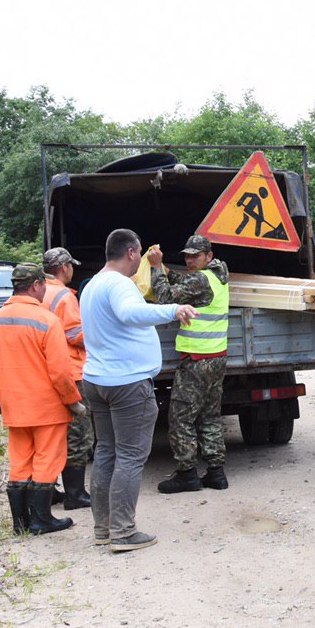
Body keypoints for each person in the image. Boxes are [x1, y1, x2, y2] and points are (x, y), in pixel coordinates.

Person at [81, 229, 197, 553]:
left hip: (98, 380)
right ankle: (123, 531)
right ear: (132, 253)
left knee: (106, 452)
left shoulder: (92, 285)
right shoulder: (119, 285)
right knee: (130, 457)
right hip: (126, 383)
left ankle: (103, 529)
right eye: (140, 256)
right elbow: (131, 314)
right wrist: (172, 310)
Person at [0, 263, 84, 536]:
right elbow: (60, 372)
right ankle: (41, 519)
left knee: (20, 460)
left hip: (14, 407)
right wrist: (73, 400)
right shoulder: (47, 320)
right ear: (37, 285)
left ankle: (20, 523)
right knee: (48, 459)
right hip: (47, 407)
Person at [147, 235, 231, 493]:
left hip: (197, 361)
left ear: (208, 255)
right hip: (216, 357)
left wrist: (154, 268)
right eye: (187, 255)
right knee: (209, 416)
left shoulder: (201, 279)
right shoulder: (217, 274)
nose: (190, 260)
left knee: (180, 418)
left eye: (195, 255)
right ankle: (216, 473)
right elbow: (185, 281)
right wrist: (167, 270)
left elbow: (164, 298)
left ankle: (186, 474)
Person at [42, 246, 93, 510]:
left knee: (52, 434)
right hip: (70, 372)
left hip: (45, 373)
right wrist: (97, 334)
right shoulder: (63, 296)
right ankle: (75, 494)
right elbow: (74, 335)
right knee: (78, 434)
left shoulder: (38, 292)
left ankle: (48, 490)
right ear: (64, 268)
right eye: (71, 265)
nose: (72, 269)